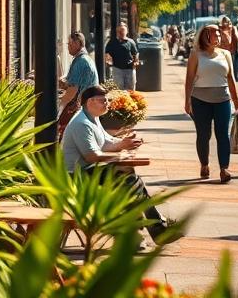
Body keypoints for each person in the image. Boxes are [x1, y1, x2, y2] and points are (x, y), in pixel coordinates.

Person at [61, 85, 179, 244]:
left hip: (90, 172)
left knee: (130, 182)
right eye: (103, 101)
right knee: (130, 181)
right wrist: (119, 158)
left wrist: (125, 144)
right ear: (90, 102)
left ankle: (136, 235)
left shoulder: (92, 118)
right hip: (78, 177)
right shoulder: (82, 123)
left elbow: (106, 143)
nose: (107, 104)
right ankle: (151, 229)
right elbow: (91, 156)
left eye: (107, 100)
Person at [184, 24, 238, 183]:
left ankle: (224, 169)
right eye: (214, 34)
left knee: (222, 135)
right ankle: (204, 164)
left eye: (218, 34)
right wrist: (187, 101)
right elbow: (189, 79)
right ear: (205, 36)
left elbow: (231, 79)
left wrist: (236, 101)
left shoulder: (225, 54)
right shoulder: (196, 54)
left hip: (223, 99)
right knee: (204, 135)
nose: (218, 37)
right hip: (200, 100)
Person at [57, 31, 99, 138]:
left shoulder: (80, 61)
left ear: (77, 43)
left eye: (69, 44)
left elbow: (72, 90)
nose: (68, 47)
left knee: (64, 132)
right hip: (88, 103)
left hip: (81, 105)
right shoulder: (85, 59)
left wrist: (59, 108)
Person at [105, 22, 139, 90]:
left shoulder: (131, 42)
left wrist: (135, 62)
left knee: (130, 88)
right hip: (117, 68)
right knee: (119, 88)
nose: (121, 32)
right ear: (117, 32)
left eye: (123, 31)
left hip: (129, 68)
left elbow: (136, 53)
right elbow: (107, 53)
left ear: (126, 32)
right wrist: (108, 60)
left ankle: (131, 100)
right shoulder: (112, 42)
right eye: (119, 31)